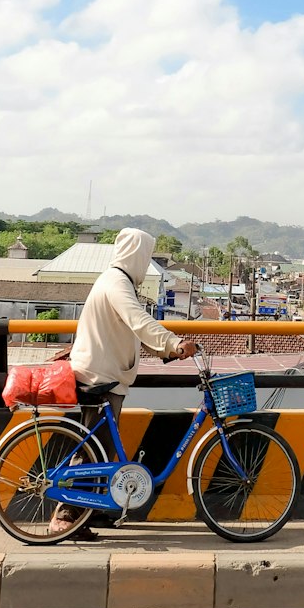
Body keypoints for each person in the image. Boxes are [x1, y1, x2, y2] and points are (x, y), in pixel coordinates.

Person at [49, 227, 197, 538]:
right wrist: (172, 342)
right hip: (99, 377)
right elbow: (138, 321)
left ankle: (92, 511)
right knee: (91, 449)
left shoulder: (117, 281)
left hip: (107, 374)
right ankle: (65, 515)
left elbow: (132, 331)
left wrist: (168, 349)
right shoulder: (117, 283)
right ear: (137, 255)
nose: (146, 264)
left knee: (102, 450)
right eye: (145, 256)